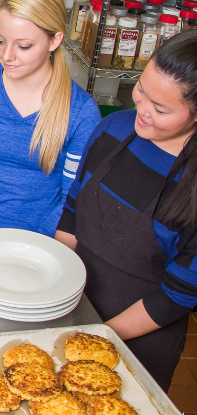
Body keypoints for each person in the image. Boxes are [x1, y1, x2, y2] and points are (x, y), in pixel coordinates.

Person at [55, 31, 197, 391]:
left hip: (140, 338)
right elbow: (73, 210)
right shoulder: (114, 129)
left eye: (160, 108)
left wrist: (97, 338)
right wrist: (51, 288)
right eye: (141, 90)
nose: (141, 110)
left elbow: (178, 295)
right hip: (71, 308)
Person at [0, 0, 101, 246]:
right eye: (0, 41)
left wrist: (44, 248)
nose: (7, 56)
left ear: (55, 40)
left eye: (24, 46)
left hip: (38, 246)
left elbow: (73, 197)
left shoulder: (81, 112)